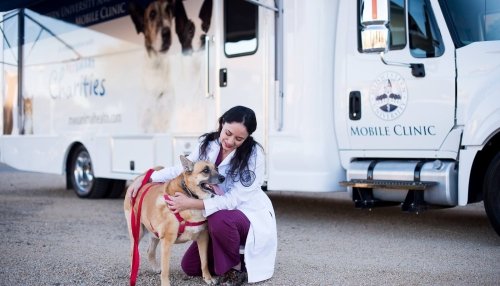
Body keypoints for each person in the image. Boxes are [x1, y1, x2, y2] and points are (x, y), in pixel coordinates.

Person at [135, 106, 277, 286]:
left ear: (247, 138)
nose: (231, 141)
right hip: (217, 216)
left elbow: (233, 200)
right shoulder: (208, 143)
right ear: (221, 124)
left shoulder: (254, 155)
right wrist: (146, 178)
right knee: (190, 267)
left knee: (219, 217)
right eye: (228, 133)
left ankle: (234, 269)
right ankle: (233, 256)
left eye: (239, 139)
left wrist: (191, 204)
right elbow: (182, 170)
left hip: (247, 215)